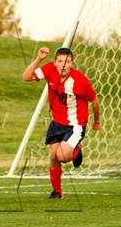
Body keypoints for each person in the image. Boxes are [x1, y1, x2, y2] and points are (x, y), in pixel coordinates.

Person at [22, 47, 101, 199]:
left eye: (67, 62)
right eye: (60, 61)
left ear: (72, 63)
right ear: (55, 63)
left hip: (75, 124)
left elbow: (94, 101)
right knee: (53, 157)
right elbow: (26, 77)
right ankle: (57, 192)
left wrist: (97, 121)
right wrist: (39, 59)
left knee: (63, 156)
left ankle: (76, 147)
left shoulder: (80, 80)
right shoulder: (49, 69)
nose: (63, 65)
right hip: (57, 122)